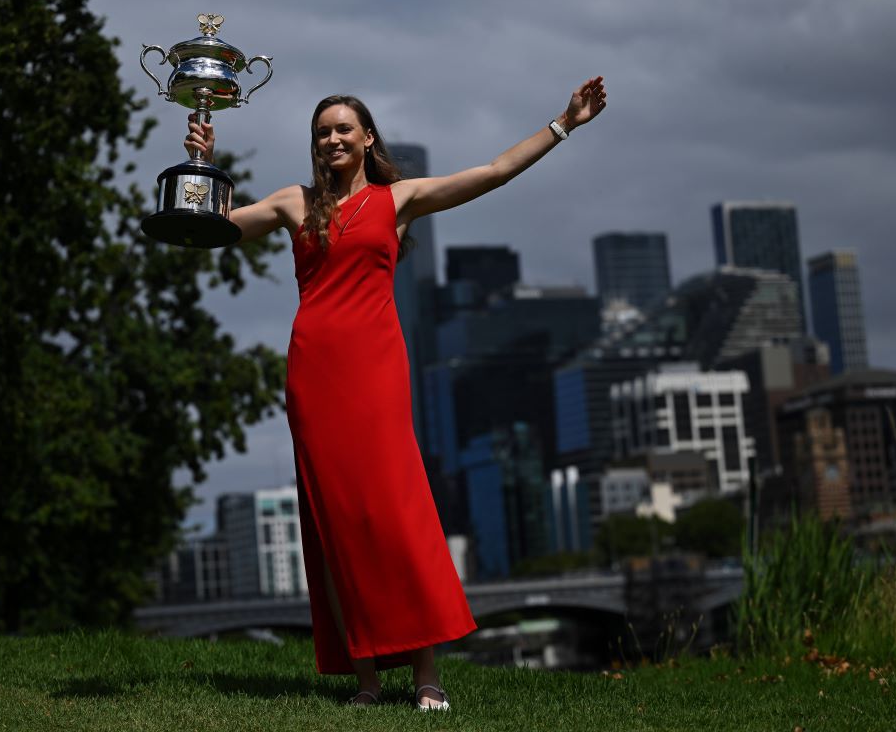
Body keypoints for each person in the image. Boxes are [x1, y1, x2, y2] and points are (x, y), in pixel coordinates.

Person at [185, 77, 607, 710]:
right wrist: (204, 164)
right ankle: (367, 682)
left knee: (396, 517)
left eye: (343, 129)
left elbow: (493, 172)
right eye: (322, 131)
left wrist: (564, 123)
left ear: (367, 138)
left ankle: (426, 675)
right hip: (314, 374)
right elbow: (215, 231)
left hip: (377, 372)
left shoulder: (397, 199)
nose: (332, 139)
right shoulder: (294, 203)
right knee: (337, 524)